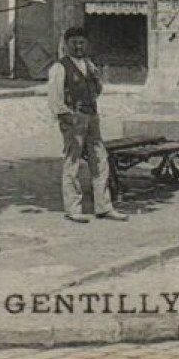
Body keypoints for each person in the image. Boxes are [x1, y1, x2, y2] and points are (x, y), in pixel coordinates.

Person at [47, 27, 127, 223]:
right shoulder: (60, 67)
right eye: (74, 42)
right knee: (72, 162)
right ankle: (73, 208)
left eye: (82, 42)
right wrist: (66, 116)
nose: (79, 46)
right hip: (73, 118)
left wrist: (96, 78)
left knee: (100, 160)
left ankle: (104, 206)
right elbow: (54, 97)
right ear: (66, 44)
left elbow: (96, 91)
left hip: (92, 117)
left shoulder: (89, 65)